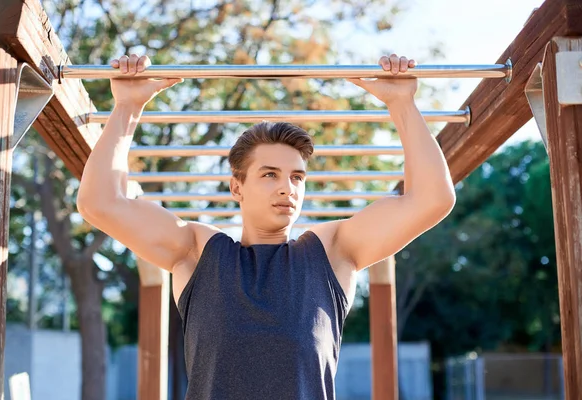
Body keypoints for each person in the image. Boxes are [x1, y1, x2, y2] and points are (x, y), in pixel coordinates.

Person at [77, 53, 456, 399]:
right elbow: (100, 203)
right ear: (236, 186)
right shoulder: (198, 252)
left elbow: (432, 199)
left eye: (297, 177)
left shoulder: (332, 252)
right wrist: (127, 107)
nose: (286, 188)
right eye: (270, 174)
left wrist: (403, 105)